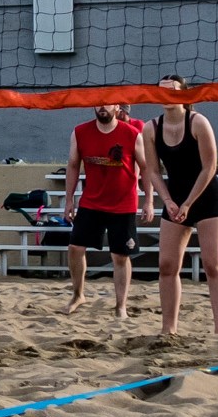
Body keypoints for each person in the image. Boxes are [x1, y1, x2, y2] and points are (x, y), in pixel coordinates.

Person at [149, 76, 218, 336]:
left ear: (184, 95)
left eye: (172, 91)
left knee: (213, 264)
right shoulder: (151, 128)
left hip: (207, 196)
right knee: (167, 265)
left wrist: (188, 203)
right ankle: (169, 330)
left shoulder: (198, 122)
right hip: (174, 196)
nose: (167, 96)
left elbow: (210, 167)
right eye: (161, 91)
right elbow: (152, 171)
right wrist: (168, 201)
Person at [61, 101, 157, 318]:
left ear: (118, 108)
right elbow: (73, 165)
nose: (102, 106)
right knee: (75, 248)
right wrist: (69, 200)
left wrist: (149, 200)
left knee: (120, 256)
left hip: (123, 204)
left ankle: (120, 305)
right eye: (98, 103)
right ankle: (78, 294)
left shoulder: (132, 134)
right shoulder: (80, 132)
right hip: (91, 202)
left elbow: (146, 167)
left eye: (108, 103)